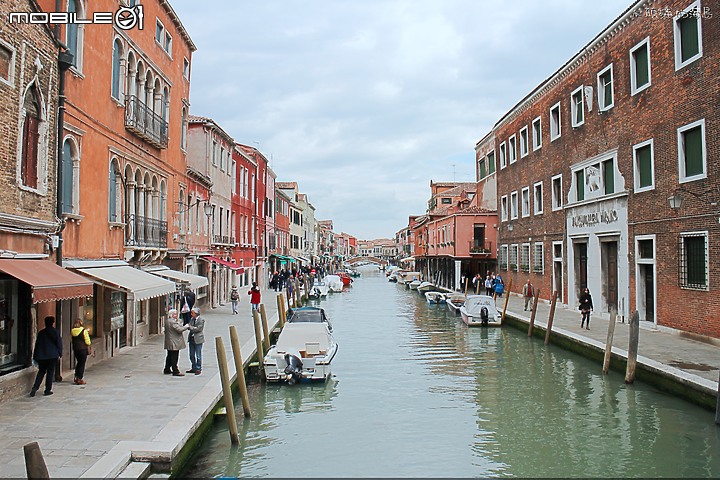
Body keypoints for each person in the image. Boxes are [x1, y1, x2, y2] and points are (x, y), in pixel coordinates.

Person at [30, 316, 62, 397]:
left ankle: (35, 387)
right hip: (52, 355)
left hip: (42, 356)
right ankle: (47, 390)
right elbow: (59, 344)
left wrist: (35, 356)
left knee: (41, 371)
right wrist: (59, 354)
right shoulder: (55, 332)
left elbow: (37, 345)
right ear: (53, 323)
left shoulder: (41, 333)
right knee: (50, 373)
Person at [164, 308, 189, 376]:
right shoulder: (173, 322)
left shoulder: (167, 321)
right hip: (174, 342)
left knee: (169, 356)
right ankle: (175, 370)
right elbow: (179, 329)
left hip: (169, 341)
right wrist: (186, 326)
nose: (176, 315)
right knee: (174, 356)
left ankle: (167, 369)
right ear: (172, 315)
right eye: (175, 314)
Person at [71, 319, 92, 385]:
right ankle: (80, 378)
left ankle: (76, 376)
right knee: (82, 364)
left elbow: (71, 340)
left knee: (79, 362)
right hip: (83, 349)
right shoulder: (84, 331)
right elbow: (87, 341)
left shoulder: (72, 331)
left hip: (76, 349)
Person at [187, 307, 205, 375]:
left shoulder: (201, 320)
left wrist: (191, 327)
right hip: (191, 338)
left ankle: (198, 368)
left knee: (198, 355)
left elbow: (199, 329)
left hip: (198, 339)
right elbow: (190, 325)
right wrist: (191, 327)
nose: (191, 314)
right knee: (191, 354)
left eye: (192, 313)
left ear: (196, 314)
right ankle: (193, 367)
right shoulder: (192, 319)